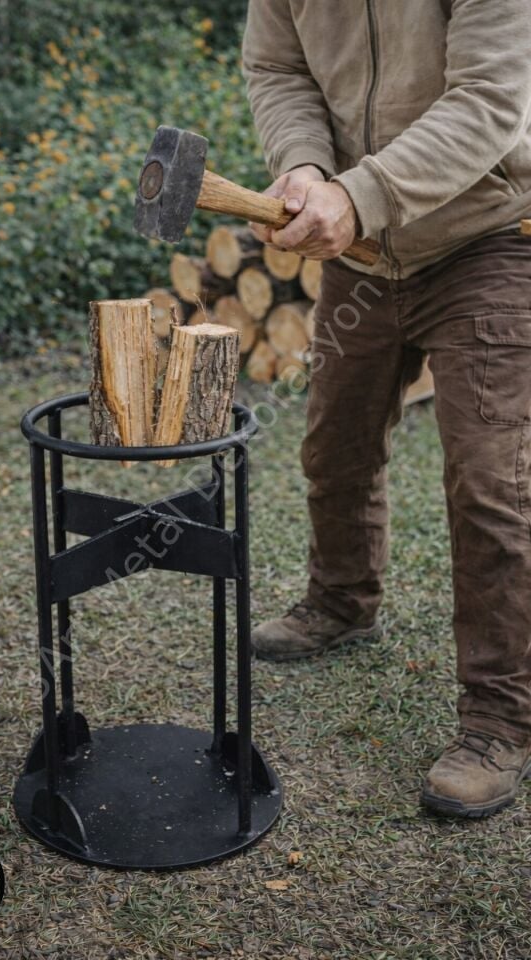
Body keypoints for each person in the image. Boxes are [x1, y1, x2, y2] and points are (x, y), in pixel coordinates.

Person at [242, 0, 531, 818]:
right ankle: (342, 601)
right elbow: (278, 68)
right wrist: (301, 163)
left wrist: (360, 192)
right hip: (363, 257)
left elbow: (488, 101)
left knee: (490, 484)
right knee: (334, 444)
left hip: (492, 240)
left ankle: (500, 720)